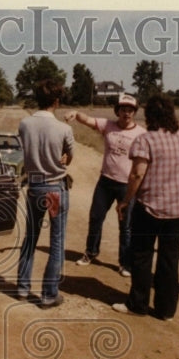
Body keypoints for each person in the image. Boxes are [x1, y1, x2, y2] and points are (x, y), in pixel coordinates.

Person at [112, 95, 179, 321]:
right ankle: (166, 310)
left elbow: (137, 174)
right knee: (170, 258)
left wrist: (126, 200)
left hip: (150, 207)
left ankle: (138, 304)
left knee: (141, 255)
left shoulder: (145, 140)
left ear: (149, 115)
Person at [63, 94, 146, 277]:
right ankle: (90, 252)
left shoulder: (141, 133)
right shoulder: (108, 126)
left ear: (134, 113)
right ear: (117, 111)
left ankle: (125, 263)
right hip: (106, 181)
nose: (127, 113)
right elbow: (88, 120)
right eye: (123, 109)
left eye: (130, 110)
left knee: (126, 225)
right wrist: (76, 113)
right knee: (95, 218)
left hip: (127, 185)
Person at [17, 79, 75, 307]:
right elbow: (70, 155)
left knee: (30, 237)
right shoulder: (63, 128)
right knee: (57, 241)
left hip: (34, 187)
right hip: (54, 188)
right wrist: (63, 158)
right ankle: (49, 293)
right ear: (56, 101)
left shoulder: (24, 123)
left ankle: (22, 287)